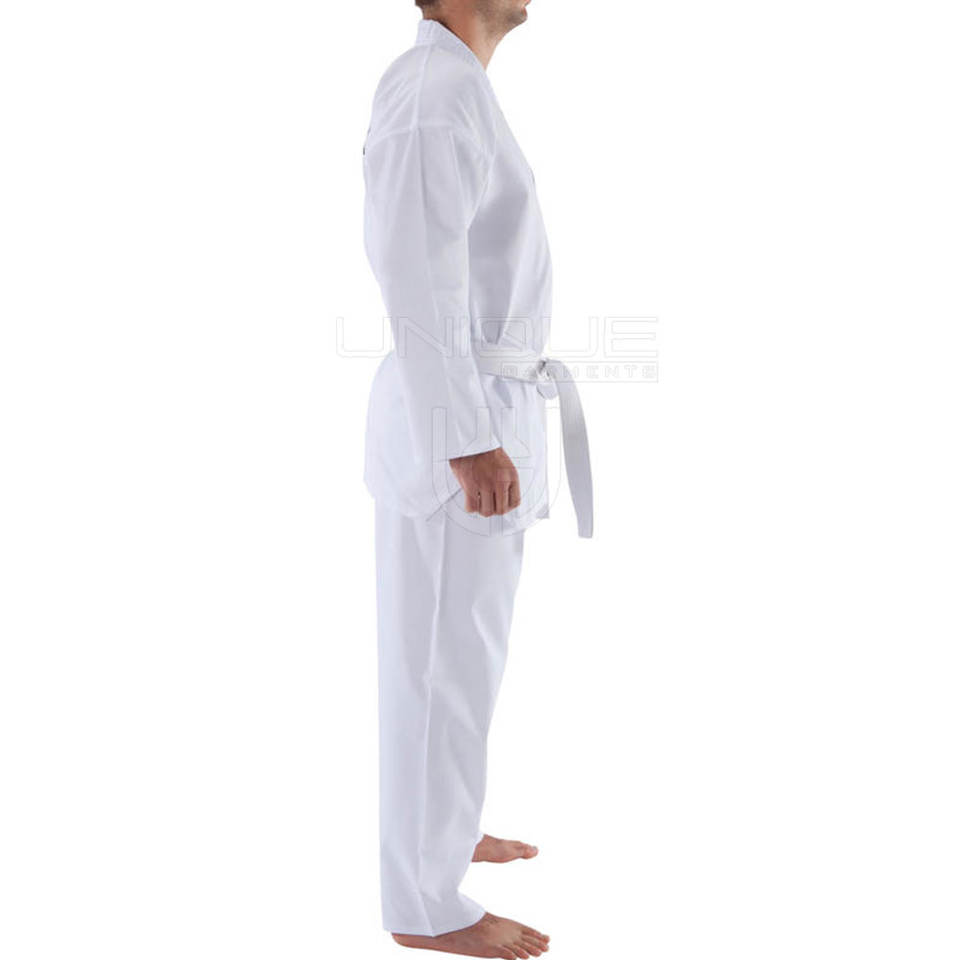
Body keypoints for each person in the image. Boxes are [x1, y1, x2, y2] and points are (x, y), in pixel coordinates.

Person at [361, 1, 592, 956]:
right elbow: (417, 278)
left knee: (463, 656)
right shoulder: (432, 95)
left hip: (484, 408)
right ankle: (426, 906)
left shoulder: (455, 89)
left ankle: (443, 832)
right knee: (438, 665)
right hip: (458, 427)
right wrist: (464, 437)